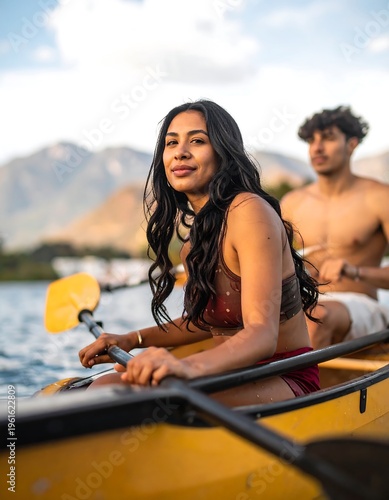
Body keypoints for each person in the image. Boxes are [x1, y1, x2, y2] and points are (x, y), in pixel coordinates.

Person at [79, 99, 320, 406]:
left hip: (283, 377)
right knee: (107, 385)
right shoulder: (194, 245)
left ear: (223, 152)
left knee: (128, 396)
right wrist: (132, 339)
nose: (180, 151)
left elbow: (261, 333)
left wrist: (185, 366)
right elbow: (203, 323)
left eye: (197, 141)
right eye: (171, 143)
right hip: (231, 375)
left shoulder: (249, 212)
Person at [281, 106, 389, 349]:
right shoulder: (292, 203)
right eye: (311, 140)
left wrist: (355, 272)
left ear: (351, 144)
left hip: (359, 305)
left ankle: (297, 388)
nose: (317, 148)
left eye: (328, 138)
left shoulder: (380, 197)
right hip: (305, 301)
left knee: (316, 316)